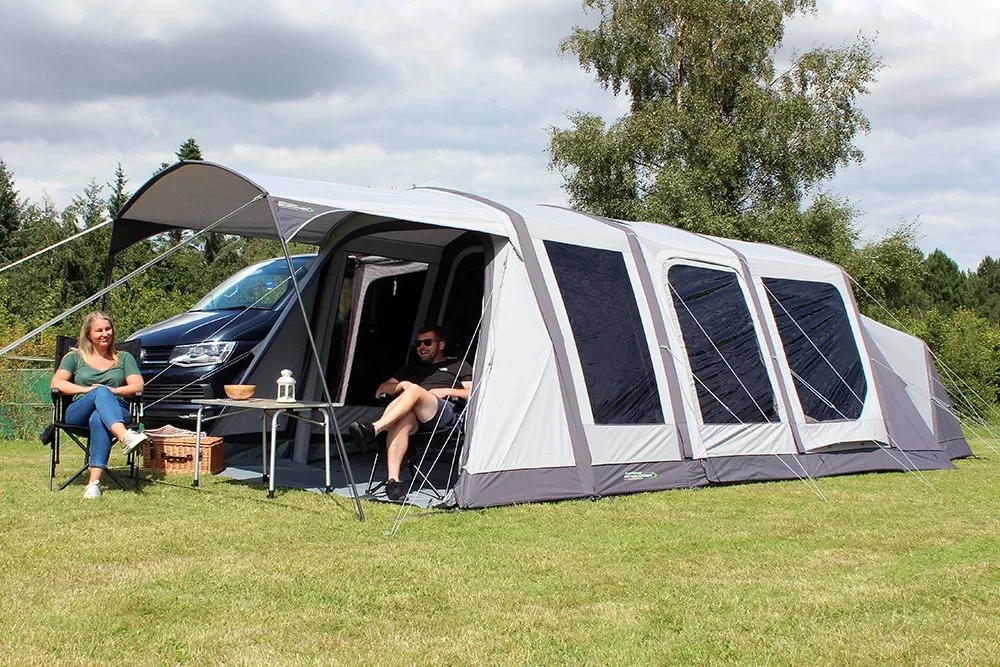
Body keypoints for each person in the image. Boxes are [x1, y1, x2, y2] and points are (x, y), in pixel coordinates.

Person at [349, 325, 472, 500]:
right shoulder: (412, 367)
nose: (421, 347)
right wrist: (401, 385)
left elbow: (473, 392)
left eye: (427, 342)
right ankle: (393, 483)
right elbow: (381, 389)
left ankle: (374, 429)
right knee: (403, 420)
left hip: (443, 412)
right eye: (418, 343)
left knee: (414, 390)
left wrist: (447, 391)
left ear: (441, 345)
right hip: (413, 414)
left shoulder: (458, 365)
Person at [50, 311, 148, 499]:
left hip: (116, 409)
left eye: (108, 329)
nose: (105, 334)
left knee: (99, 418)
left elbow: (137, 386)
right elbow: (57, 383)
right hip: (79, 411)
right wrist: (89, 390)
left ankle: (93, 484)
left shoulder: (124, 358)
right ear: (88, 334)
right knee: (100, 392)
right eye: (99, 330)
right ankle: (124, 436)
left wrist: (113, 391)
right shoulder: (74, 357)